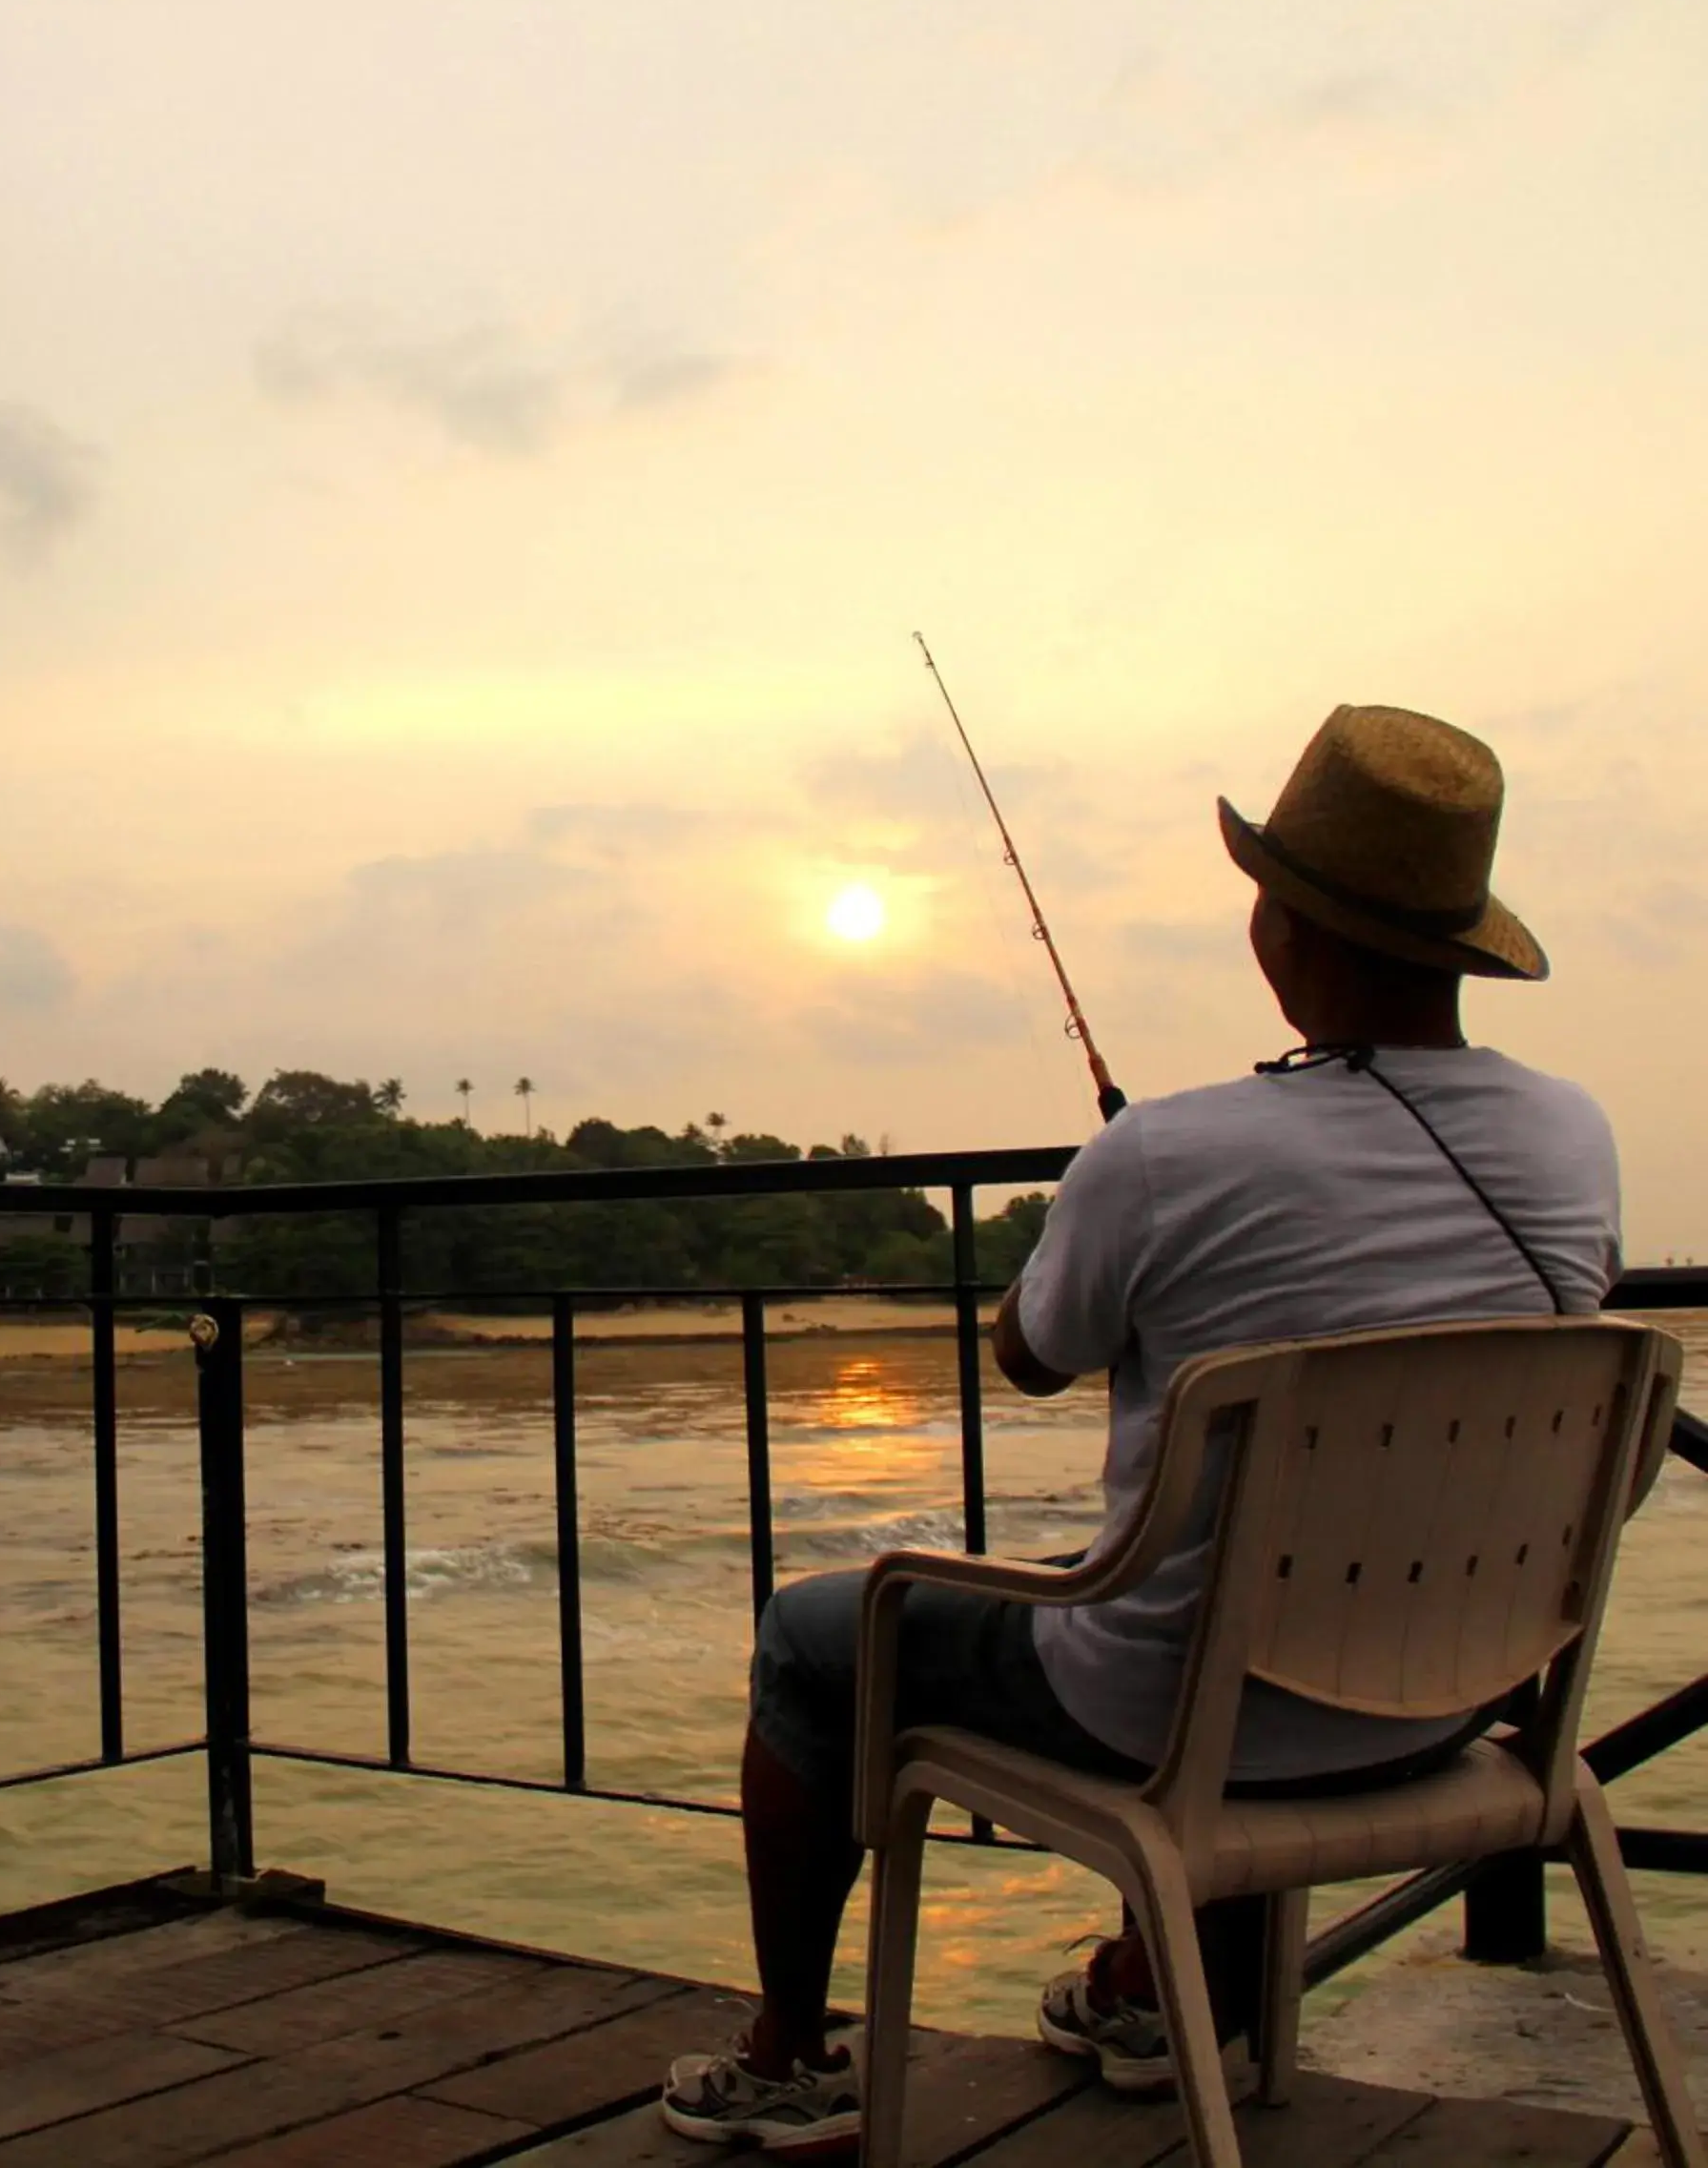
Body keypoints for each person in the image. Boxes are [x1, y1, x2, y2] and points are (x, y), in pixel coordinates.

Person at [661, 705, 1623, 2151]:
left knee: (821, 1633)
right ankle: (1149, 1995)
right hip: (1466, 1705)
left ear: (1280, 928)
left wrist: (1101, 1188)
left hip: (1194, 1724)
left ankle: (789, 2057)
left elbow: (1032, 1355)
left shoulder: (1170, 1152)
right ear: (1460, 941)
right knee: (1216, 1595)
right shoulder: (1578, 1139)